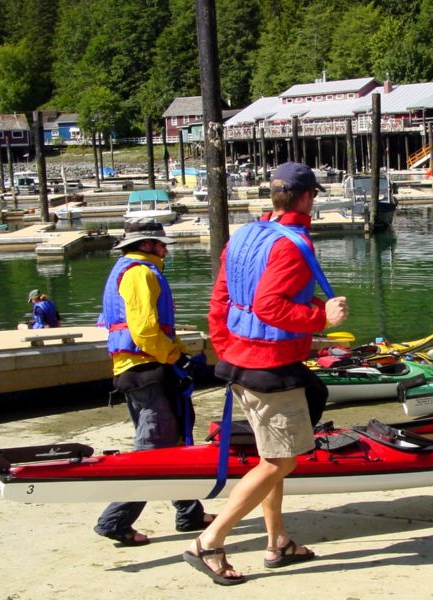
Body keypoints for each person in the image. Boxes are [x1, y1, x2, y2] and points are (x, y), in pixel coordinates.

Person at [183, 162, 349, 585]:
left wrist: (226, 348)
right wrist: (321, 317)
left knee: (270, 458)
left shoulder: (243, 234)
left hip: (239, 360)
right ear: (309, 197)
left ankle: (277, 541)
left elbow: (220, 299)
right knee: (280, 460)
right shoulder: (292, 246)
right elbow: (269, 307)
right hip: (270, 368)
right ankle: (210, 543)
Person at [93, 220, 214, 546]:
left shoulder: (130, 270)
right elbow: (145, 331)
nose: (167, 248)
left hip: (141, 368)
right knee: (154, 450)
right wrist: (177, 357)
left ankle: (188, 511)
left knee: (171, 441)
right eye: (162, 244)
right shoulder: (140, 273)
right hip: (146, 369)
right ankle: (115, 520)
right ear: (146, 245)